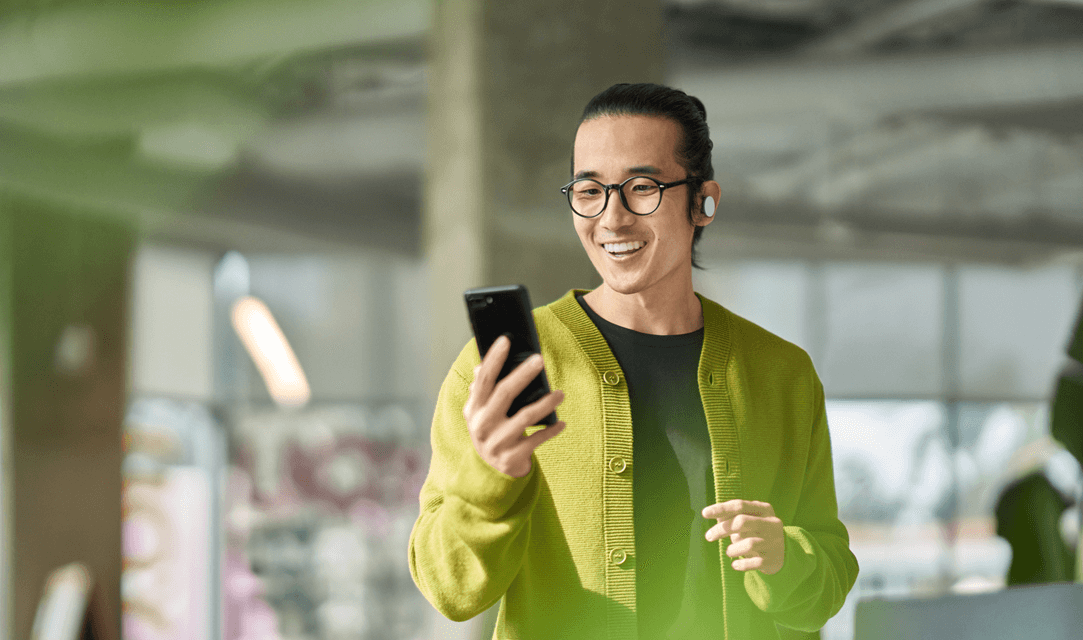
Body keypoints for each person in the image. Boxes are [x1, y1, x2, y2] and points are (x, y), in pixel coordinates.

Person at [409, 83, 859, 640]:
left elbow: (829, 581)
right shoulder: (506, 366)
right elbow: (449, 591)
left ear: (703, 201)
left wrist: (784, 557)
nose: (612, 218)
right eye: (589, 190)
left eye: (642, 187)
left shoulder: (780, 372)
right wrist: (490, 482)